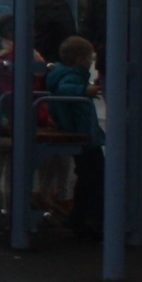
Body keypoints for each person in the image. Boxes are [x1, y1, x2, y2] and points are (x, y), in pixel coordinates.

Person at [39, 34, 106, 238]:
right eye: (90, 60)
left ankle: (79, 217)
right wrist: (86, 90)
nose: (90, 64)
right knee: (95, 178)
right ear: (80, 60)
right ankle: (91, 220)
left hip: (78, 131)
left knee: (87, 178)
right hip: (83, 135)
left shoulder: (59, 73)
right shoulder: (73, 77)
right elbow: (66, 89)